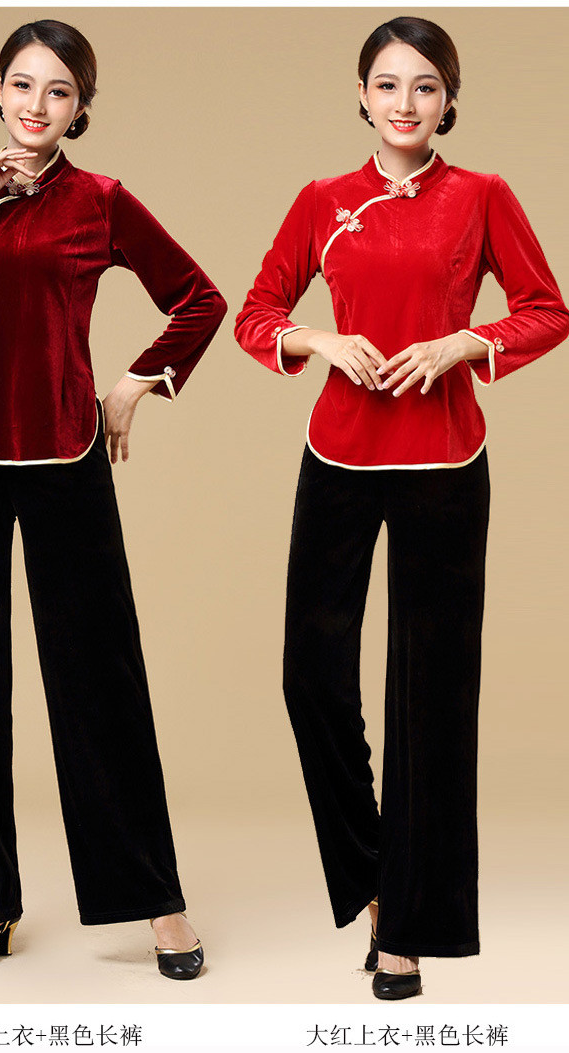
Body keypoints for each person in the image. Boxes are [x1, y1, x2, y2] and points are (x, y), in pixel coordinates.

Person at [234, 15, 568, 1000]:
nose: (405, 102)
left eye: (425, 85)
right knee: (311, 680)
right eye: (387, 84)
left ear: (448, 100)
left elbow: (547, 308)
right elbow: (257, 312)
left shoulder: (482, 195)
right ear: (361, 95)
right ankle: (379, 886)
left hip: (445, 461)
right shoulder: (321, 200)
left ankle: (407, 934)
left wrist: (468, 342)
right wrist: (320, 342)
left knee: (431, 701)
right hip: (338, 452)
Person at [0, 18, 226, 977]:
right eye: (23, 85)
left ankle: (157, 903)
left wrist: (136, 382)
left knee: (99, 681)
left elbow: (199, 299)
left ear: (80, 108)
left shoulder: (101, 201)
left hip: (66, 454)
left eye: (59, 91)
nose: (37, 105)